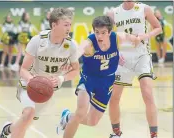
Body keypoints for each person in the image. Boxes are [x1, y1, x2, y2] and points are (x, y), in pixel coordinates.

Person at [0, 7, 80, 138]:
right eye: (65, 25)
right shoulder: (38, 40)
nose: (69, 28)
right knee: (28, 114)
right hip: (29, 84)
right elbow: (23, 69)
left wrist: (61, 78)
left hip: (47, 90)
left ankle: (6, 129)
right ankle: (6, 131)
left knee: (26, 121)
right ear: (54, 25)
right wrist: (32, 80)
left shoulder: (71, 45)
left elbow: (76, 70)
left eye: (70, 25)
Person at [56, 15, 143, 138]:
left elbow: (131, 38)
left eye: (103, 33)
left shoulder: (117, 38)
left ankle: (68, 117)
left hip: (107, 82)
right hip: (88, 81)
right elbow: (78, 51)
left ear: (109, 32)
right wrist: (68, 61)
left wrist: (137, 39)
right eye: (97, 32)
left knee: (92, 122)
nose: (99, 36)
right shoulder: (89, 43)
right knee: (81, 112)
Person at [107, 1, 162, 138]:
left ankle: (154, 135)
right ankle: (116, 133)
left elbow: (158, 27)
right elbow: (105, 36)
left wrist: (145, 36)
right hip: (122, 58)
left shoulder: (144, 8)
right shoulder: (113, 13)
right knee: (114, 98)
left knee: (147, 93)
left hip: (141, 56)